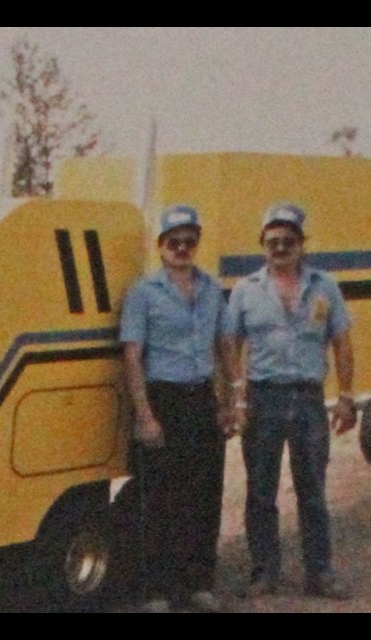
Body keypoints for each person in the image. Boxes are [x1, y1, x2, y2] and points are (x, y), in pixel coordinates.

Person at [222, 203, 357, 601]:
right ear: (262, 245)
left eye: (288, 241)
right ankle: (264, 572)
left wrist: (346, 397)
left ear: (302, 245)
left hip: (309, 400)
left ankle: (320, 573)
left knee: (312, 490)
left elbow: (342, 342)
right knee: (261, 492)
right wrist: (236, 392)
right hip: (263, 399)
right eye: (273, 241)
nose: (280, 247)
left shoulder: (325, 286)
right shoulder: (246, 290)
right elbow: (230, 342)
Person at [120, 205, 234, 613]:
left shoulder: (211, 289)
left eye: (189, 241)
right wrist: (145, 416)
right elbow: (132, 357)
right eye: (174, 242)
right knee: (159, 500)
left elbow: (225, 347)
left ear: (197, 243)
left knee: (203, 496)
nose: (182, 248)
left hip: (201, 398)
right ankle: (156, 590)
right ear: (161, 246)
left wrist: (229, 401)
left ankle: (199, 583)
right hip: (162, 399)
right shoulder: (143, 294)